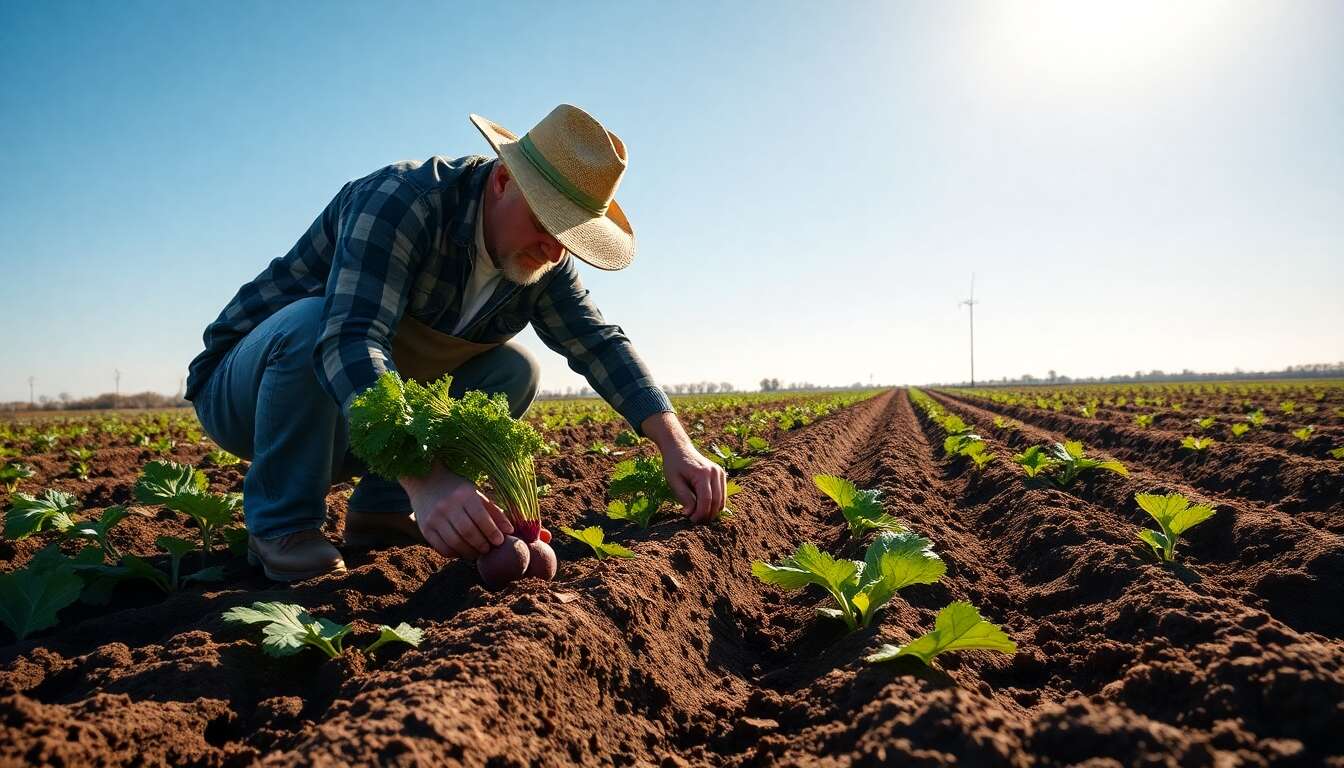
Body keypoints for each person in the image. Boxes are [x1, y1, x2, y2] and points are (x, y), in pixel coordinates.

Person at [184, 104, 727, 581]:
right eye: (548, 222)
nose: (556, 249)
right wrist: (430, 479)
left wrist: (675, 446)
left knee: (512, 370)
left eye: (570, 236)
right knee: (313, 323)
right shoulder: (402, 201)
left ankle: (382, 511)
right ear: (502, 182)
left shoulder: (543, 260)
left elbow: (599, 344)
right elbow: (350, 339)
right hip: (250, 396)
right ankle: (282, 526)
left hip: (348, 423)